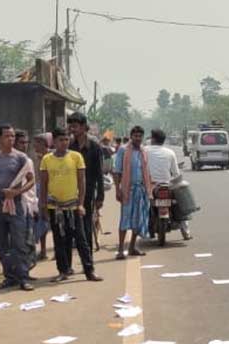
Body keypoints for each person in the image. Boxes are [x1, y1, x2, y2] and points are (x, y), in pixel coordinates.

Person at [41, 128, 102, 283]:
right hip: (55, 207)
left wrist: (81, 204)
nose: (64, 142)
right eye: (61, 140)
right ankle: (63, 270)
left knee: (81, 240)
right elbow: (43, 183)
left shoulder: (76, 157)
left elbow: (82, 183)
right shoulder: (47, 159)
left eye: (67, 139)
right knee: (60, 240)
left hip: (73, 206)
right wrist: (43, 206)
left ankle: (89, 270)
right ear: (54, 141)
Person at [0, 125, 36, 291]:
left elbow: (31, 180)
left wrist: (16, 192)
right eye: (7, 136)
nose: (11, 139)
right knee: (1, 243)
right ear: (0, 139)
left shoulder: (21, 158)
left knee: (19, 242)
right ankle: (9, 277)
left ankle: (23, 277)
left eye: (12, 136)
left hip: (16, 205)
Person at [113, 126, 153, 259]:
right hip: (127, 190)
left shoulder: (143, 151)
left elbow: (146, 171)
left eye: (140, 136)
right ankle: (120, 249)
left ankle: (132, 247)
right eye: (135, 136)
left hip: (141, 189)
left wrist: (149, 190)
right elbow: (117, 171)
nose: (138, 138)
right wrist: (117, 189)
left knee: (138, 219)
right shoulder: (123, 150)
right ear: (131, 137)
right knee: (125, 219)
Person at [146, 129, 192, 240]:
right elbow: (176, 174)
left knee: (143, 205)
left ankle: (143, 229)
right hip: (167, 186)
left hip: (150, 186)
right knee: (180, 204)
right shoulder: (170, 152)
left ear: (153, 139)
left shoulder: (144, 150)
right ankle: (186, 232)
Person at [68, 112, 105, 251]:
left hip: (88, 192)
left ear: (84, 127)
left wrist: (100, 196)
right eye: (70, 126)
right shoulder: (69, 146)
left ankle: (87, 256)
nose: (72, 129)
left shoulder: (95, 147)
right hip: (70, 191)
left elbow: (99, 174)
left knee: (86, 224)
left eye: (75, 126)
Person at [13, 130, 39, 276]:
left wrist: (34, 205)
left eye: (26, 143)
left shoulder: (28, 161)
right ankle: (18, 273)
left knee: (28, 240)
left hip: (28, 205)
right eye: (21, 142)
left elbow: (32, 186)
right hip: (13, 205)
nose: (24, 145)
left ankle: (25, 271)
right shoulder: (6, 160)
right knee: (17, 242)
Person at [33, 132, 52, 261]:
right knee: (42, 222)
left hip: (51, 191)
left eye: (37, 143)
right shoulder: (38, 158)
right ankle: (43, 250)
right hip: (40, 191)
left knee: (54, 222)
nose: (35, 146)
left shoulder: (50, 157)